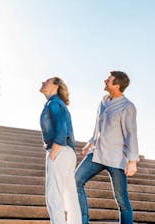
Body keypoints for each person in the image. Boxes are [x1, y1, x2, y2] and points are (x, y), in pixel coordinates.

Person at [75, 71, 139, 224]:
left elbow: (131, 133)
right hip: (97, 153)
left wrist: (132, 161)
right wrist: (90, 142)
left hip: (116, 158)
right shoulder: (104, 100)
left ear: (116, 85)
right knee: (75, 181)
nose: (105, 81)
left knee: (121, 199)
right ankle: (83, 221)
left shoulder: (127, 106)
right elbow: (98, 126)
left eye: (108, 80)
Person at [39, 77, 81, 224]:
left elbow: (61, 129)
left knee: (54, 196)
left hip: (59, 150)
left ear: (55, 86)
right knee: (70, 197)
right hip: (68, 153)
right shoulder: (58, 103)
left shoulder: (54, 103)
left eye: (47, 81)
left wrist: (53, 152)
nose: (43, 82)